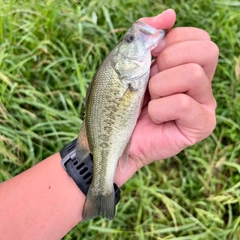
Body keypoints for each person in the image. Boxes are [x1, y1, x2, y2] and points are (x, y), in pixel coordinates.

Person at [0, 9, 219, 239]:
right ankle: (100, 189)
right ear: (120, 59)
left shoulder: (127, 73)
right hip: (111, 138)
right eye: (130, 39)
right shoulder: (121, 73)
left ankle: (99, 188)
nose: (134, 36)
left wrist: (124, 156)